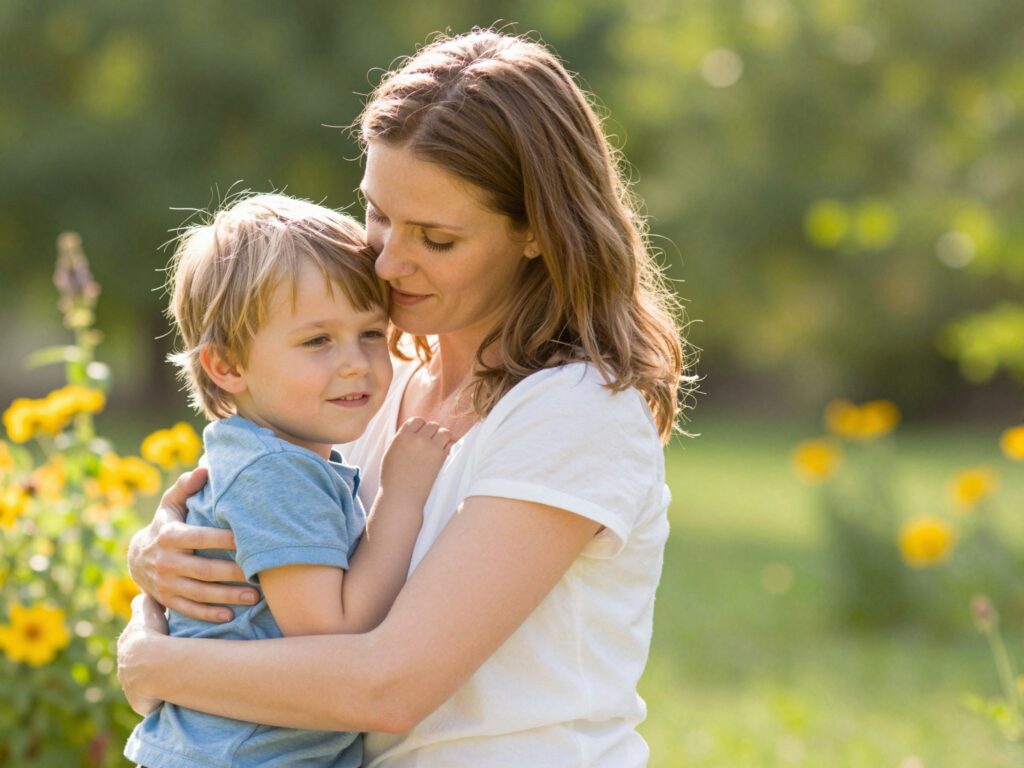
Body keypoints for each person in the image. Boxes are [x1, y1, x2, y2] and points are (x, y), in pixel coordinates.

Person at [118, 28, 693, 767]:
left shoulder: (575, 410)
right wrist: (159, 560)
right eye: (379, 214)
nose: (387, 261)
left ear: (536, 234)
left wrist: (151, 662)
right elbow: (276, 551)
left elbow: (386, 687)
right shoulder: (371, 376)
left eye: (437, 239)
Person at [122, 194, 452, 768]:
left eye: (371, 333)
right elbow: (333, 630)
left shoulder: (277, 454)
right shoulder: (274, 471)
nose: (355, 362)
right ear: (227, 366)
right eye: (317, 341)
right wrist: (401, 497)